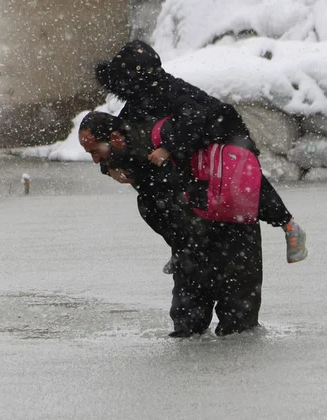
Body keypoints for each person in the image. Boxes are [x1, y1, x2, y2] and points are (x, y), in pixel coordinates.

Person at [94, 40, 307, 272]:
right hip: (193, 149)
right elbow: (120, 135)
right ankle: (181, 248)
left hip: (224, 136)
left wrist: (167, 147)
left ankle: (289, 225)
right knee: (151, 202)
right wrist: (110, 165)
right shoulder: (137, 102)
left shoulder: (170, 90)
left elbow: (193, 117)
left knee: (244, 186)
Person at [79, 111, 263, 337]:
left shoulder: (163, 141)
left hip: (230, 229)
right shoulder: (126, 152)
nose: (95, 160)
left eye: (96, 152)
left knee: (239, 328)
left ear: (116, 138)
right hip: (190, 241)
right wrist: (108, 167)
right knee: (188, 325)